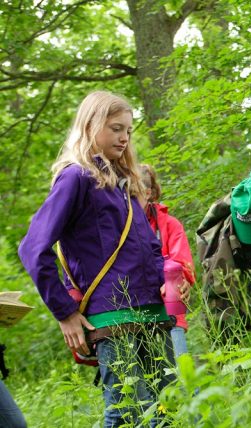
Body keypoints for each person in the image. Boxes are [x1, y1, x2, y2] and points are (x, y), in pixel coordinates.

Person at [18, 91, 175, 427]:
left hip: (152, 311)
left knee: (167, 408)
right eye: (116, 128)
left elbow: (148, 246)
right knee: (126, 411)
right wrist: (65, 312)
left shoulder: (125, 181)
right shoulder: (75, 177)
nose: (124, 137)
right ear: (90, 125)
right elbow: (33, 248)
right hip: (111, 317)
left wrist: (168, 282)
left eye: (129, 131)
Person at [140, 164, 196, 359]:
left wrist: (183, 280)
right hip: (136, 315)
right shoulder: (118, 226)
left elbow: (182, 263)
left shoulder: (169, 224)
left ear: (147, 193)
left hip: (170, 312)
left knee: (181, 373)